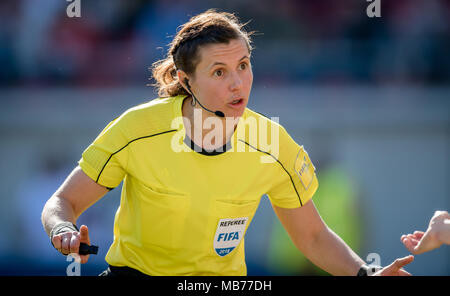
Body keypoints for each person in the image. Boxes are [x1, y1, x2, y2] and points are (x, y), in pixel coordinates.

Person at [41, 9, 413, 276]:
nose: (238, 83)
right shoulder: (137, 128)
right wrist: (62, 230)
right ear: (186, 81)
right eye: (219, 72)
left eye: (244, 65)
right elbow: (63, 202)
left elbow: (313, 235)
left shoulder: (271, 142)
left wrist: (366, 273)